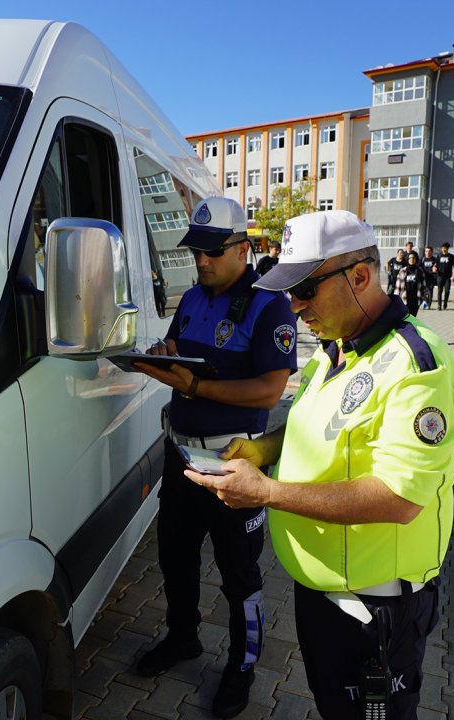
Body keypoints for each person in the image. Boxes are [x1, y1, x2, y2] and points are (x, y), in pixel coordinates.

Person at [186, 210, 454, 720]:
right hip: (323, 595)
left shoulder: (417, 366)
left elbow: (399, 498)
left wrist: (266, 493)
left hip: (373, 611)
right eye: (288, 291)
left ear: (359, 276)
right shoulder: (335, 347)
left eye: (305, 290)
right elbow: (311, 424)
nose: (294, 307)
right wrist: (263, 450)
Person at [131, 196, 297, 718]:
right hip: (181, 456)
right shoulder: (192, 297)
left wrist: (196, 386)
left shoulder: (270, 305)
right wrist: (159, 360)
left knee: (239, 575)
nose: (201, 261)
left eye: (212, 252)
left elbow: (270, 391)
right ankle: (183, 637)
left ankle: (242, 666)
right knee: (175, 558)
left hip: (233, 464)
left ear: (243, 248)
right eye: (195, 252)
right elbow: (177, 353)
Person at [396, 250, 423, 316]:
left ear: (416, 259)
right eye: (410, 258)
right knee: (405, 317)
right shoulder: (403, 270)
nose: (412, 259)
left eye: (413, 258)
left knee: (413, 317)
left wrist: (424, 297)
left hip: (415, 299)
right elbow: (398, 286)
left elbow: (423, 285)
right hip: (404, 298)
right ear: (407, 259)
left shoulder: (420, 271)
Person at [434, 242, 454, 310]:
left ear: (447, 249)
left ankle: (445, 303)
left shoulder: (451, 256)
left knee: (447, 291)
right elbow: (436, 264)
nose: (443, 249)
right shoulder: (439, 255)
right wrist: (434, 267)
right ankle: (439, 305)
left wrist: (453, 276)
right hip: (440, 276)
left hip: (448, 277)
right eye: (442, 248)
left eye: (445, 248)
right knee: (440, 291)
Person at [419, 245, 437, 310]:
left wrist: (435, 269)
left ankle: (428, 305)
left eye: (429, 251)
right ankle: (425, 302)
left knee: (430, 292)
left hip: (431, 278)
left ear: (431, 252)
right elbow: (418, 267)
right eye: (426, 251)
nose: (428, 252)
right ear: (425, 252)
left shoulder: (434, 260)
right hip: (423, 278)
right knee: (421, 292)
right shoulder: (422, 259)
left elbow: (437, 268)